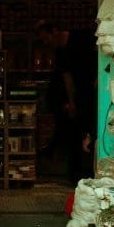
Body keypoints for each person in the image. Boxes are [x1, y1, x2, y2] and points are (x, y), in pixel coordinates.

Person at [39, 24, 98, 185]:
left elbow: (70, 78)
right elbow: (66, 79)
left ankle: (83, 172)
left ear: (55, 31)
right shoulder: (60, 52)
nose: (47, 43)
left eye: (47, 39)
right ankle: (76, 174)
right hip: (75, 97)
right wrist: (71, 102)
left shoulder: (82, 37)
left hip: (88, 93)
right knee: (74, 133)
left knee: (85, 130)